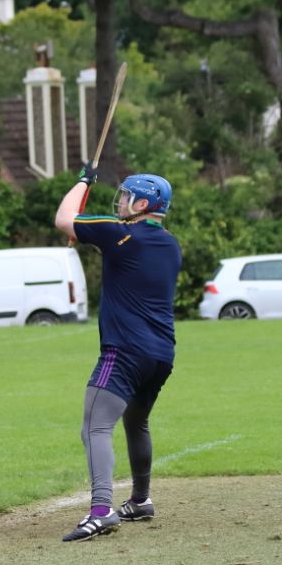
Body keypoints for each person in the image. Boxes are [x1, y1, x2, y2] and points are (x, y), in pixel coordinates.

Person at [53, 166, 182, 542]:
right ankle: (140, 500)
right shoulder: (170, 244)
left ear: (142, 204)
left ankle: (101, 510)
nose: (120, 202)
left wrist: (83, 181)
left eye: (126, 197)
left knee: (94, 425)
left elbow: (64, 218)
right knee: (135, 423)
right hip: (161, 355)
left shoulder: (118, 232)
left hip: (124, 350)